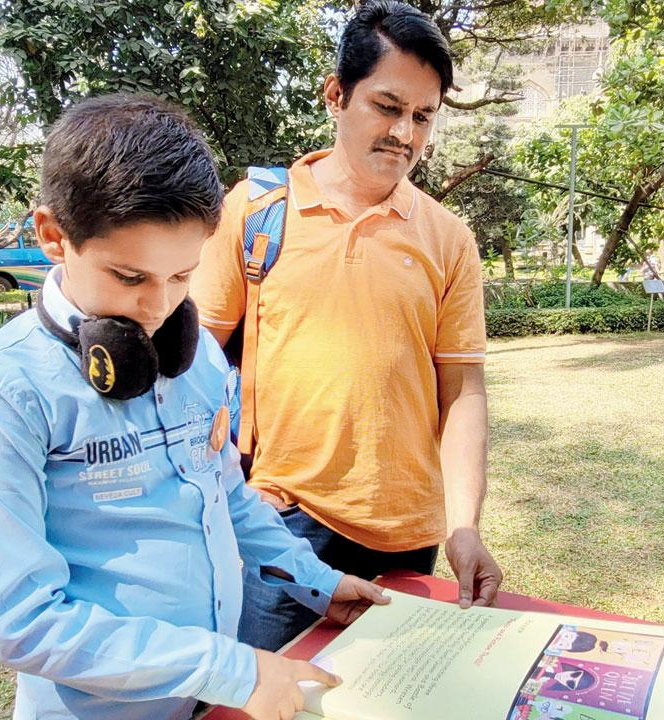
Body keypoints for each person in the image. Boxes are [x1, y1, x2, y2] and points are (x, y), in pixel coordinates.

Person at [0, 93, 388, 720]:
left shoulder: (194, 353)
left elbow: (226, 494)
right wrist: (228, 667)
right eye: (130, 277)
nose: (159, 309)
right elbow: (20, 620)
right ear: (52, 236)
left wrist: (319, 582)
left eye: (182, 277)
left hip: (205, 699)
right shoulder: (1, 396)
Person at [192, 1, 502, 652]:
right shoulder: (255, 209)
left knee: (384, 694)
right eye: (387, 107)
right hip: (283, 522)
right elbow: (192, 364)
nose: (405, 134)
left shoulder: (448, 240)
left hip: (408, 535)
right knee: (268, 694)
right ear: (337, 95)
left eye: (423, 116)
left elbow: (463, 392)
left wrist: (464, 526)